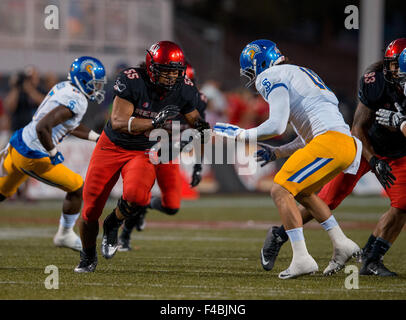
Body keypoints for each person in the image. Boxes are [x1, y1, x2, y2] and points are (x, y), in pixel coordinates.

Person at [213, 39, 362, 279]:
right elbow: (307, 135)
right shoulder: (302, 73)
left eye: (252, 71)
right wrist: (277, 152)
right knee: (303, 192)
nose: (253, 78)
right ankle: (342, 243)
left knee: (280, 189)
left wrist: (242, 134)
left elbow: (277, 125)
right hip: (344, 144)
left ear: (261, 63)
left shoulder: (270, 75)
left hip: (330, 143)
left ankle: (302, 259)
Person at [258, 38, 406, 277]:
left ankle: (371, 258)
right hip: (364, 146)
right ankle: (280, 235)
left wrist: (400, 124)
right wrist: (374, 160)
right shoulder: (375, 81)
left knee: (403, 205)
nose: (395, 72)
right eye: (393, 66)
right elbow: (358, 127)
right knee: (325, 200)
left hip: (399, 152)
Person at [74, 41, 210, 273]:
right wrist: (154, 122)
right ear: (151, 67)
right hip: (112, 146)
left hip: (143, 150)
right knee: (90, 211)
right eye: (165, 71)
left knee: (137, 197)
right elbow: (117, 122)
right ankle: (87, 255)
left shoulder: (184, 88)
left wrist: (202, 127)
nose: (170, 77)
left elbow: (194, 117)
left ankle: (113, 223)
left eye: (175, 71)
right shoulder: (131, 80)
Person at [0, 56, 106, 251]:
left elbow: (69, 124)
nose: (97, 88)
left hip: (19, 142)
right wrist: (53, 151)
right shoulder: (77, 99)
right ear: (83, 80)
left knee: (1, 192)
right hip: (32, 154)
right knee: (77, 187)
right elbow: (43, 127)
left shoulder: (65, 87)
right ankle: (65, 234)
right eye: (94, 84)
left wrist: (97, 138)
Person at [116, 61, 208, 252]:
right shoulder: (157, 94)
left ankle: (146, 205)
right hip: (144, 150)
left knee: (172, 206)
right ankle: (124, 235)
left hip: (168, 155)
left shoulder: (196, 102)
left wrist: (198, 165)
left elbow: (200, 133)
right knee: (137, 198)